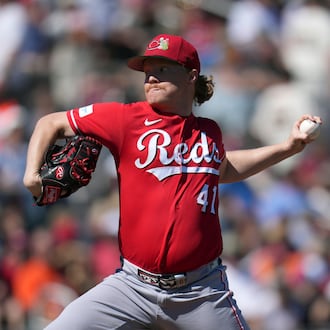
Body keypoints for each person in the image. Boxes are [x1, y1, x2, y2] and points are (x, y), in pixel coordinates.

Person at [23, 34, 322, 330]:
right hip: (131, 287)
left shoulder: (208, 131)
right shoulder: (124, 118)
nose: (151, 78)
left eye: (162, 69)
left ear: (191, 75)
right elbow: (49, 123)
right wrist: (32, 174)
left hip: (201, 292)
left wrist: (287, 147)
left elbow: (224, 168)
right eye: (148, 71)